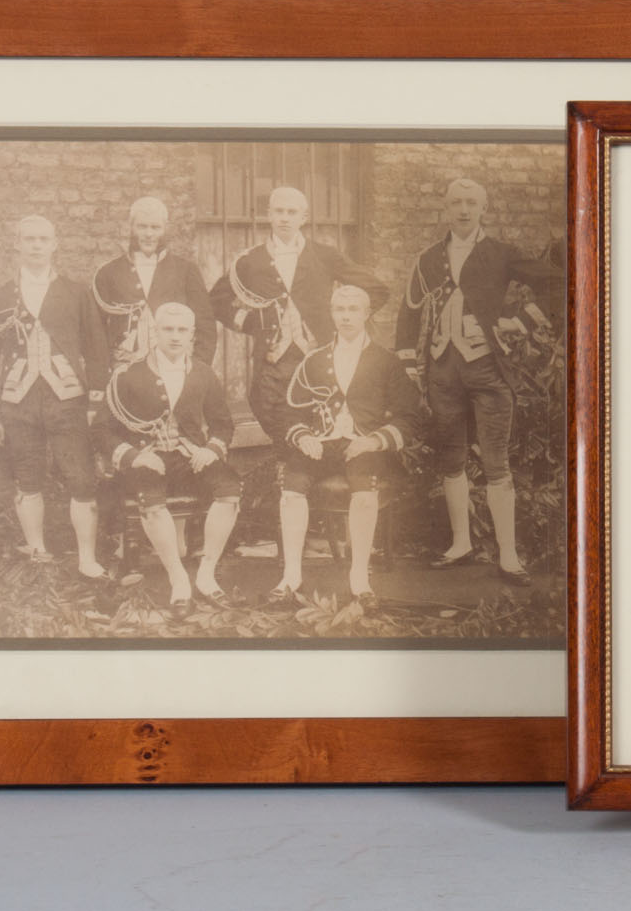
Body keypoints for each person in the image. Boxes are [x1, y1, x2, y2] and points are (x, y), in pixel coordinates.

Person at [394, 177, 559, 585]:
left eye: (471, 202)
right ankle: (461, 545)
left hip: (487, 369)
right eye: (455, 202)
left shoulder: (501, 254)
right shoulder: (428, 258)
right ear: (445, 208)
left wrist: (520, 321)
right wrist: (410, 365)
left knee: (495, 460)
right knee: (450, 459)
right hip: (442, 371)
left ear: (484, 208)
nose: (463, 210)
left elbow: (559, 283)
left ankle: (508, 556)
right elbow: (409, 312)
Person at [0, 214, 109, 580]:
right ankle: (38, 552)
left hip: (67, 400)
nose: (36, 246)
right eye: (29, 239)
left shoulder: (77, 292)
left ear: (55, 244)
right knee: (28, 478)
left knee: (81, 478)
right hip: (18, 401)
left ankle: (87, 558)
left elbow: (97, 349)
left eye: (43, 239)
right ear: (16, 244)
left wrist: (96, 402)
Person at [274, 284, 422, 610]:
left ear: (367, 314)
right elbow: (289, 412)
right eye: (340, 309)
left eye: (354, 309)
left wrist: (374, 440)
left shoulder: (386, 362)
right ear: (331, 314)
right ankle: (291, 575)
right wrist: (304, 437)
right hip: (321, 445)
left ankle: (359, 577)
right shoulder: (313, 361)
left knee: (364, 492)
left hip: (364, 446)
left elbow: (410, 417)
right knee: (291, 490)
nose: (346, 316)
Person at [210, 185, 387, 440]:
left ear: (303, 218)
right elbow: (216, 300)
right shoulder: (251, 260)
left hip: (320, 355)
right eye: (279, 211)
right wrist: (247, 321)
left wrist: (347, 319)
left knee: (321, 413)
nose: (284, 218)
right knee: (267, 408)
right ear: (268, 214)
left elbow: (377, 290)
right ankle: (287, 464)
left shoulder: (325, 255)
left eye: (292, 212)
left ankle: (305, 466)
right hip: (273, 360)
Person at [101, 303, 241, 611]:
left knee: (229, 491)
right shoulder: (128, 374)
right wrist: (134, 456)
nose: (175, 336)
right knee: (151, 503)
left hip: (191, 456)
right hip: (147, 457)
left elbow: (222, 423)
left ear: (192, 334)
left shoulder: (203, 373)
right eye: (168, 329)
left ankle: (206, 575)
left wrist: (210, 450)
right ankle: (178, 579)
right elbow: (103, 430)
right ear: (155, 331)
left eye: (182, 330)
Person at [91, 196, 217, 368]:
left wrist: (199, 369)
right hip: (124, 371)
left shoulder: (186, 271)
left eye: (155, 227)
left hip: (176, 370)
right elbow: (95, 332)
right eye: (142, 226)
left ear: (165, 229)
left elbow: (205, 325)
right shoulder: (108, 273)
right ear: (131, 227)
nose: (149, 234)